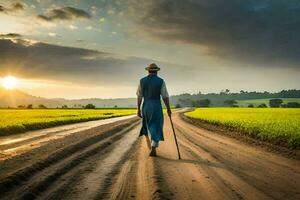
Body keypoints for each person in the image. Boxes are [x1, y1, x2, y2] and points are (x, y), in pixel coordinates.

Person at [136, 63, 172, 157]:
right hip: (156, 106)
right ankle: (153, 146)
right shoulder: (161, 81)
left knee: (148, 125)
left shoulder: (142, 81)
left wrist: (138, 109)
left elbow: (139, 96)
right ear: (156, 71)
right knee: (156, 125)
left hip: (146, 106)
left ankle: (150, 141)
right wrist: (168, 108)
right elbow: (165, 96)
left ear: (148, 71)